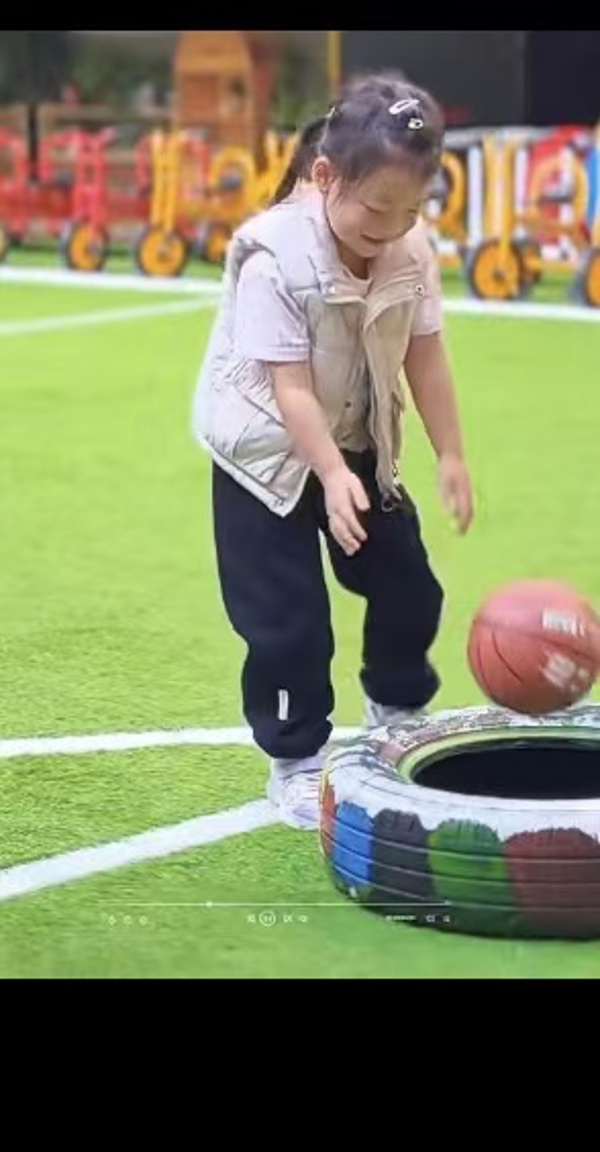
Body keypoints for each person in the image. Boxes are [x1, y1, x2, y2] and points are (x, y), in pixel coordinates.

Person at [193, 71, 474, 830]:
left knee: (409, 584)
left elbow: (425, 356)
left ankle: (397, 708)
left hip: (353, 434)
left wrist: (451, 454)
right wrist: (327, 472)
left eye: (411, 209)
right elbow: (289, 389)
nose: (394, 227)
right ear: (324, 177)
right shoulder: (273, 259)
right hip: (265, 454)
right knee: (288, 620)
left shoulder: (409, 249)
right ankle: (295, 760)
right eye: (378, 209)